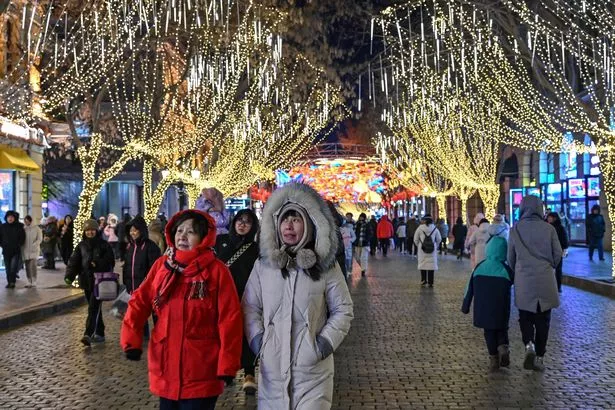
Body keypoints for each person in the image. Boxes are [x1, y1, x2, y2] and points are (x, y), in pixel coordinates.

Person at [242, 183, 354, 409]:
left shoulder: (325, 267)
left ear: (309, 225)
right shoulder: (264, 266)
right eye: (285, 219)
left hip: (313, 372)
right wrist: (259, 342)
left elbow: (343, 309)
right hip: (272, 369)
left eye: (296, 219)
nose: (289, 225)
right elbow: (250, 307)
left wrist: (322, 344)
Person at [121, 210, 243, 409]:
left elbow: (230, 319)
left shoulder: (217, 271)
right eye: (179, 231)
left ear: (204, 238)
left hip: (201, 372)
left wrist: (227, 364)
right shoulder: (163, 266)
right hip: (166, 370)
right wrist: (131, 340)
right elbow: (139, 301)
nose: (183, 236)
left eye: (191, 232)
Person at [508, 195, 562, 371]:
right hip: (545, 278)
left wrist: (518, 269)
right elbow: (558, 253)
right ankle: (539, 356)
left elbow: (510, 258)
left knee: (525, 316)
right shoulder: (549, 229)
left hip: (524, 279)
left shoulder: (515, 230)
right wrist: (550, 265)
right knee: (543, 319)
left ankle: (528, 344)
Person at [215, 209, 260, 395]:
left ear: (253, 226)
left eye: (247, 222)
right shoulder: (220, 241)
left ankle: (250, 374)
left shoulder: (256, 249)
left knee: (247, 334)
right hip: (222, 297)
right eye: (239, 220)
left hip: (246, 298)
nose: (242, 224)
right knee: (224, 335)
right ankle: (227, 371)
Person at [462, 236, 514, 372]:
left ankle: (493, 358)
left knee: (489, 333)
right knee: (502, 329)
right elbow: (518, 286)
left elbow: (469, 288)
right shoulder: (505, 269)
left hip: (483, 310)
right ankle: (503, 347)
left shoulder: (479, 267)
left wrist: (465, 306)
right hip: (501, 309)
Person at [65, 219, 116, 346]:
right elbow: (74, 262)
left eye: (92, 230)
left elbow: (110, 260)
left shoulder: (104, 245)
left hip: (100, 282)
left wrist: (97, 263)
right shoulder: (81, 246)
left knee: (93, 307)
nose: (90, 232)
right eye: (87, 230)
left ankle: (88, 334)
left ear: (96, 230)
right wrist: (69, 276)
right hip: (86, 281)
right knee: (94, 307)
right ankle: (100, 332)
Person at [122, 215, 162, 338]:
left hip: (148, 288)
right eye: (131, 230)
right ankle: (143, 335)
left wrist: (150, 285)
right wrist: (127, 284)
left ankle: (160, 335)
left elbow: (155, 269)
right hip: (134, 287)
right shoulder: (131, 247)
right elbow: (127, 266)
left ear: (142, 230)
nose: (133, 233)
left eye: (135, 230)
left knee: (155, 312)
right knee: (139, 313)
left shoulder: (151, 247)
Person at [413, 214, 442, 287]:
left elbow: (415, 239)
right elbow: (439, 239)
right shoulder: (435, 228)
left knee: (423, 264)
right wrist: (435, 245)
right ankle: (430, 281)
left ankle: (423, 280)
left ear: (425, 220)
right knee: (431, 265)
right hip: (432, 249)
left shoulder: (420, 228)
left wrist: (419, 246)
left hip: (422, 249)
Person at [1, 211, 25, 288]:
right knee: (7, 268)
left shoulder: (19, 226)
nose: (10, 219)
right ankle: (9, 282)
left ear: (14, 218)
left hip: (15, 251)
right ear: (6, 218)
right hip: (6, 251)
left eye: (12, 217)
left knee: (13, 267)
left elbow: (22, 238)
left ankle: (12, 282)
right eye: (8, 217)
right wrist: (2, 245)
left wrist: (18, 244)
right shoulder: (3, 227)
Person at [547, 212, 569, 293]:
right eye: (548, 217)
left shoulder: (560, 228)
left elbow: (564, 240)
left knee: (558, 269)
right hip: (548, 251)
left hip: (558, 251)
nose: (549, 219)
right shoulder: (546, 227)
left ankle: (558, 286)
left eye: (550, 217)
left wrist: (564, 249)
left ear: (555, 218)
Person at [22, 215, 42, 288]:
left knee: (33, 266)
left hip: (34, 250)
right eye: (25, 221)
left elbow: (39, 239)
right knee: (27, 266)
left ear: (31, 221)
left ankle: (34, 280)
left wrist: (35, 244)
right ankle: (29, 280)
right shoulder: (24, 229)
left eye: (27, 220)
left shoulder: (37, 229)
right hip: (25, 250)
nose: (26, 222)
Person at [353, 213, 372, 277]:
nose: (361, 218)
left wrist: (367, 239)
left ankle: (363, 270)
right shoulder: (356, 224)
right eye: (360, 217)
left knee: (364, 257)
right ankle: (363, 267)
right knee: (357, 258)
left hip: (364, 244)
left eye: (362, 217)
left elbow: (370, 233)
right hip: (357, 243)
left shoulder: (367, 224)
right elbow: (353, 232)